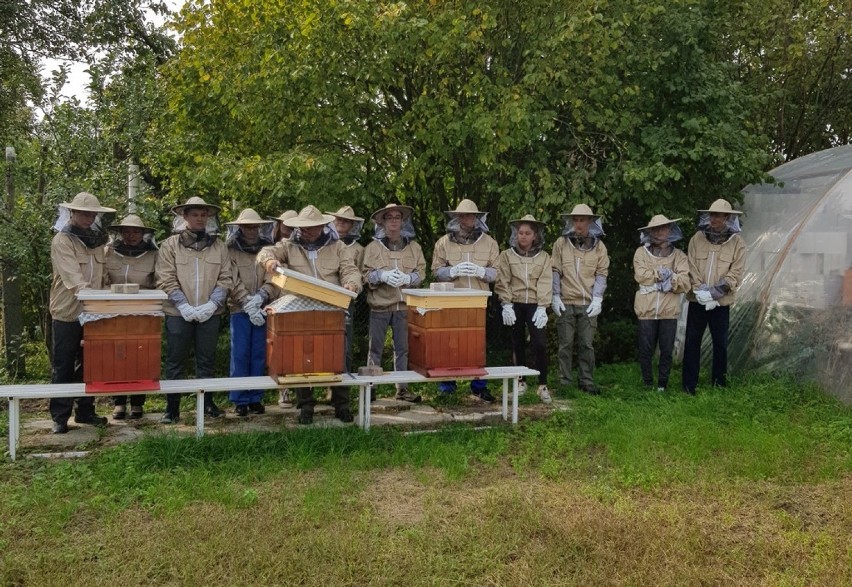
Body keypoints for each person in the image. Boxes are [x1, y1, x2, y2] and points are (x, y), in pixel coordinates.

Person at [258, 205, 362, 424]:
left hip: (332, 308)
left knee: (338, 357)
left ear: (323, 226)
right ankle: (306, 407)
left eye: (312, 227)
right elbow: (265, 252)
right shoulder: (289, 245)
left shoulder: (338, 247)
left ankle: (341, 404)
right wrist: (269, 261)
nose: (307, 232)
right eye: (303, 228)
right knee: (303, 357)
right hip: (300, 308)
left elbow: (350, 269)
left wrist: (352, 284)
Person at [156, 196, 232, 423]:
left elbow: (226, 278)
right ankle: (172, 408)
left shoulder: (219, 246)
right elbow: (165, 278)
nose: (200, 219)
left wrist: (212, 304)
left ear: (208, 217)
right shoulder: (170, 245)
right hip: (178, 313)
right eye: (194, 215)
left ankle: (207, 404)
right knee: (175, 360)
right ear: (185, 217)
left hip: (210, 313)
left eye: (203, 215)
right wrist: (183, 304)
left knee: (206, 360)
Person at [48, 192, 116, 434]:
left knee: (90, 365)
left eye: (92, 214)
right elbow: (74, 280)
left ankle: (86, 412)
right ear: (73, 213)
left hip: (94, 313)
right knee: (63, 364)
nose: (88, 217)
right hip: (68, 311)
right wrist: (96, 298)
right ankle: (59, 416)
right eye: (84, 213)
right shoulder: (62, 240)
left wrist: (110, 297)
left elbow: (104, 276)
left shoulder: (98, 242)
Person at [431, 199, 499, 401]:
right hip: (451, 301)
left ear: (476, 218)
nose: (464, 219)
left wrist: (482, 271)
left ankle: (479, 385)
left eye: (469, 215)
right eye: (461, 215)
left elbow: (497, 273)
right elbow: (436, 271)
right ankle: (447, 386)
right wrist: (452, 271)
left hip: (478, 302)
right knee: (449, 343)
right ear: (455, 217)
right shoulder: (444, 242)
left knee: (476, 344)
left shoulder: (489, 242)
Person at [362, 203, 426, 402]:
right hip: (380, 306)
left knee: (403, 349)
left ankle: (402, 390)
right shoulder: (372, 248)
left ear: (402, 221)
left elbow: (421, 272)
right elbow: (365, 275)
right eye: (389, 218)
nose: (394, 221)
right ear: (382, 222)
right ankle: (370, 389)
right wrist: (381, 275)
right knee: (375, 349)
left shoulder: (414, 247)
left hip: (404, 307)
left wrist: (409, 279)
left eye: (397, 217)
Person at [682, 199, 746, 394]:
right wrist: (700, 290)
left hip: (720, 303)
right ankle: (688, 386)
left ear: (727, 218)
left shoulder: (737, 244)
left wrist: (713, 294)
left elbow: (735, 273)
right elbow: (691, 266)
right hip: (697, 300)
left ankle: (719, 385)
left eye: (718, 215)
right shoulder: (696, 239)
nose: (713, 219)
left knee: (720, 344)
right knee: (692, 342)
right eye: (712, 215)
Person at [551, 204, 610, 394]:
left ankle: (586, 381)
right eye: (575, 220)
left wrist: (598, 299)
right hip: (566, 301)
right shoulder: (561, 243)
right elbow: (555, 270)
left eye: (582, 220)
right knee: (565, 344)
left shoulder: (599, 247)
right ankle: (565, 382)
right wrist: (555, 296)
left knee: (586, 344)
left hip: (588, 303)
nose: (578, 224)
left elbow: (601, 274)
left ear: (590, 222)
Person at [104, 213, 158, 420]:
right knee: (117, 356)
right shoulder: (107, 252)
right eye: (127, 231)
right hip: (113, 312)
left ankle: (137, 402)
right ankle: (118, 402)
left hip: (143, 312)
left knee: (140, 355)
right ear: (120, 233)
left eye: (136, 231)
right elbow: (101, 279)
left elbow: (159, 281)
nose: (131, 235)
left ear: (143, 234)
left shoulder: (154, 255)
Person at [495, 214, 553, 403]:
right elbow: (503, 280)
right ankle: (521, 381)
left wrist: (543, 307)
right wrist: (506, 304)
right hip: (515, 303)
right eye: (520, 232)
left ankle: (542, 384)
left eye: (528, 233)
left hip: (536, 305)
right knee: (517, 343)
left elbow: (545, 281)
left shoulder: (544, 257)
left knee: (540, 344)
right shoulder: (506, 255)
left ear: (535, 236)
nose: (523, 236)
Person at [225, 209, 275, 416]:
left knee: (259, 354)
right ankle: (239, 400)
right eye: (247, 226)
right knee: (240, 354)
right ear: (240, 228)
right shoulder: (230, 250)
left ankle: (255, 397)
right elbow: (230, 278)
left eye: (254, 226)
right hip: (239, 308)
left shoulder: (269, 249)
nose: (251, 230)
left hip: (263, 308)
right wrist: (247, 301)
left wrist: (261, 296)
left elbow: (275, 277)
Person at [632, 215, 690, 392]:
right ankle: (648, 383)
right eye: (655, 229)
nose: (659, 232)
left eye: (663, 228)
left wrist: (670, 279)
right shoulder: (641, 253)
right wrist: (664, 275)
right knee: (645, 350)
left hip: (669, 311)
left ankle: (662, 385)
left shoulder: (679, 255)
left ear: (670, 230)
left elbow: (685, 282)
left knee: (666, 350)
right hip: (646, 310)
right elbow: (641, 275)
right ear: (649, 231)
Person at [271, 209, 297, 407]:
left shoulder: (301, 246)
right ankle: (283, 392)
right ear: (279, 225)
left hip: (299, 302)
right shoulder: (273, 247)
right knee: (281, 349)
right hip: (277, 301)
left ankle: (303, 392)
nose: (288, 229)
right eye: (285, 225)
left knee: (300, 348)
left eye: (292, 225)